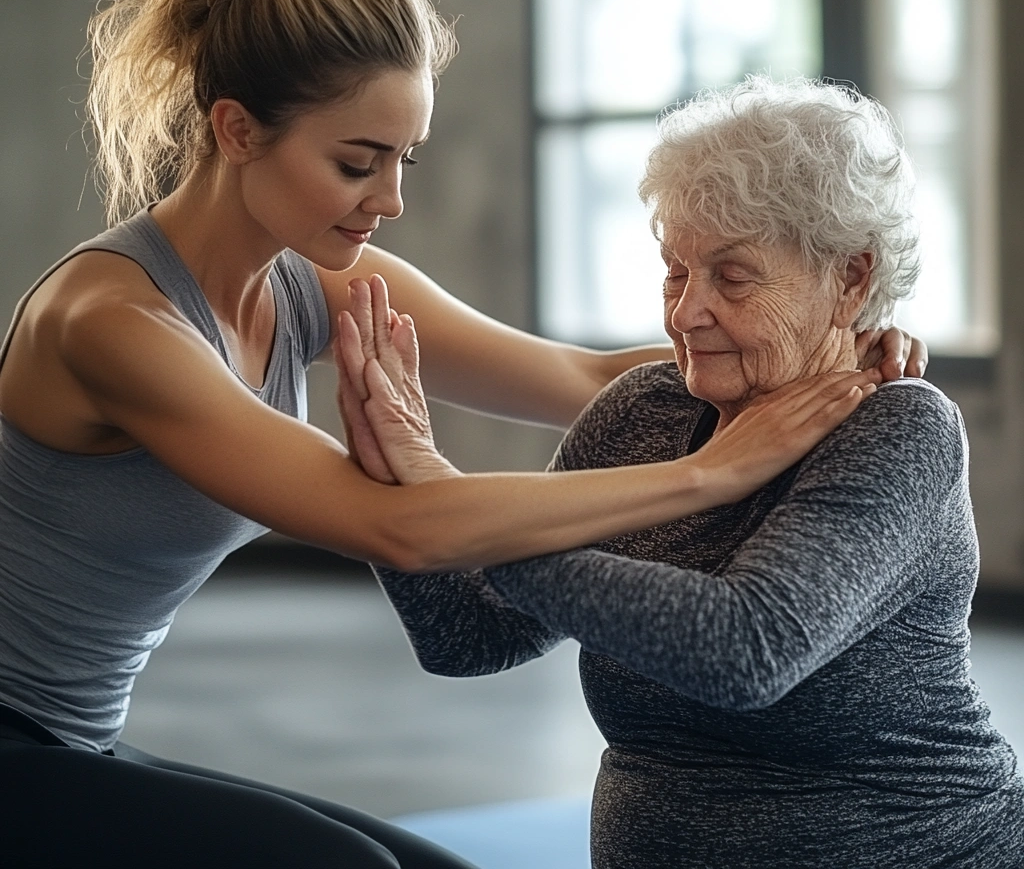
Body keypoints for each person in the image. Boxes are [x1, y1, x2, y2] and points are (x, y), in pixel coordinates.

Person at [0, 0, 927, 869]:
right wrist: (714, 469)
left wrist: (816, 350)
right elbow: (401, 522)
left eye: (407, 158)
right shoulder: (114, 323)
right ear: (235, 131)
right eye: (359, 161)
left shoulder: (310, 279)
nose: (390, 198)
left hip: (70, 738)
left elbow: (579, 376)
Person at [346, 76, 1024, 869]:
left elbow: (747, 648)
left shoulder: (899, 429)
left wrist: (451, 508)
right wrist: (391, 470)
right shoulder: (645, 413)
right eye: (675, 271)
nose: (684, 312)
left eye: (732, 277)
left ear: (851, 279)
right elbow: (468, 635)